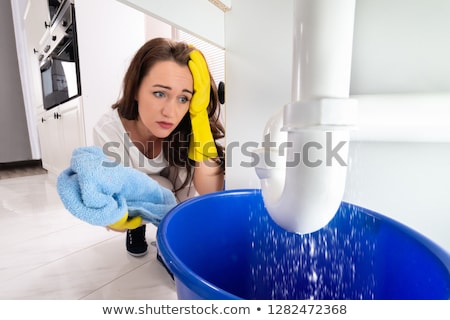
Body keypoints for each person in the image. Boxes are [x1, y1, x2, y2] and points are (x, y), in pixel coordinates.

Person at [92, 38, 225, 263]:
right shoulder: (109, 131)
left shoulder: (188, 124)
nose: (170, 112)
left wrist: (199, 116)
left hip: (174, 189)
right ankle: (141, 227)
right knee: (157, 187)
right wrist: (123, 216)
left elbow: (210, 191)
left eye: (184, 98)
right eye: (160, 93)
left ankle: (169, 237)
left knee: (183, 190)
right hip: (135, 190)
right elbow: (111, 207)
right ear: (135, 89)